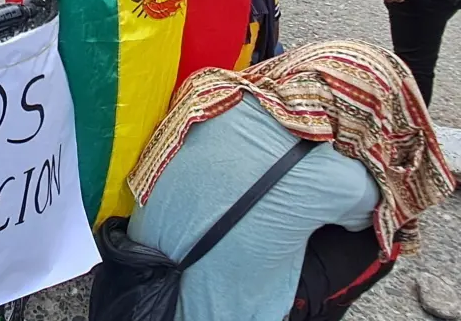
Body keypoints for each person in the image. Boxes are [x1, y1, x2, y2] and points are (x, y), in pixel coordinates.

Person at [126, 41, 454, 321]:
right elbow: (388, 212)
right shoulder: (345, 180)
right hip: (204, 311)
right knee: (385, 237)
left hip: (132, 283)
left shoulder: (216, 94)